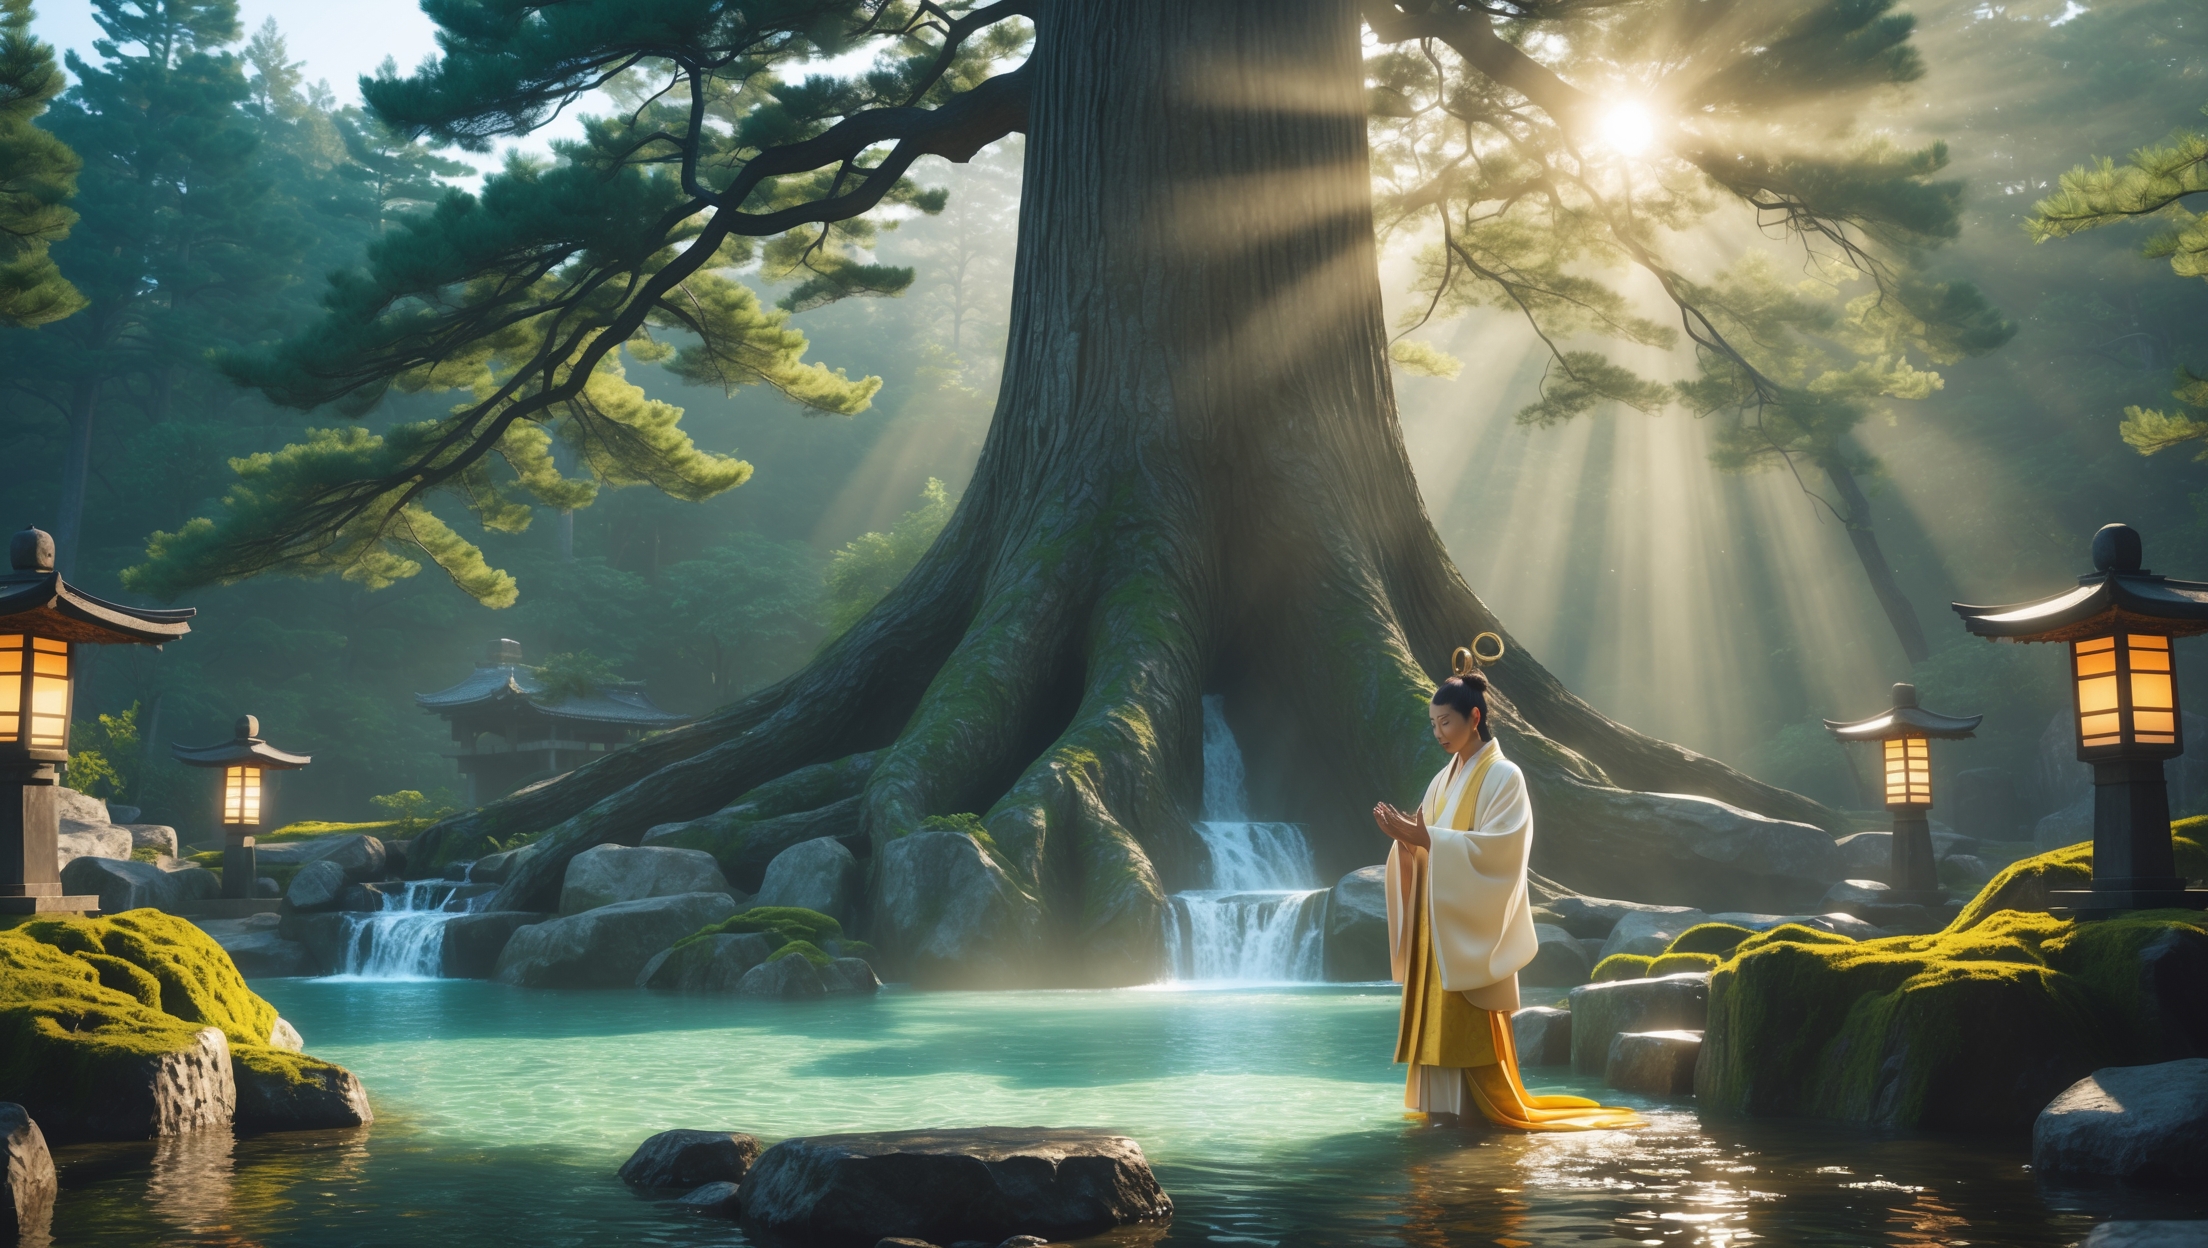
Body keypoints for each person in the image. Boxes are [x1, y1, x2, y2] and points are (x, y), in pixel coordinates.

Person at [1370, 663, 1642, 1131]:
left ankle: (1474, 1110)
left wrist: (1429, 838)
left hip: (1464, 924)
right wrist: (1407, 842)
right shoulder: (1443, 778)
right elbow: (1427, 839)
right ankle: (1441, 1108)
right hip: (1436, 922)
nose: (1439, 733)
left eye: (1447, 723)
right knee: (1434, 1014)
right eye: (1433, 725)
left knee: (1465, 1015)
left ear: (1474, 718)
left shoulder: (1504, 776)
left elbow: (1501, 850)